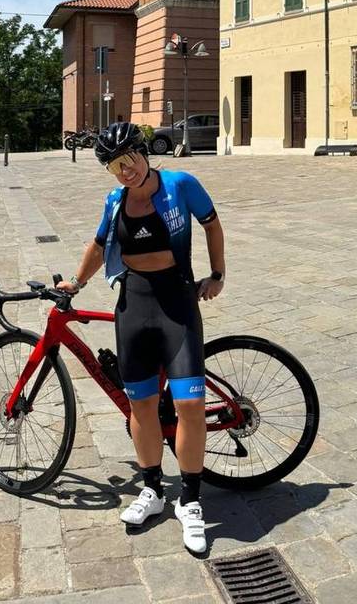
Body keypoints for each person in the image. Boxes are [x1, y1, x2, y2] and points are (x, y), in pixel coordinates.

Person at [56, 121, 225, 554]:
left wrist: (218, 274)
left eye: (129, 159)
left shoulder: (181, 184)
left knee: (189, 403)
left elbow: (212, 224)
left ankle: (190, 500)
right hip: (134, 305)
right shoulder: (115, 201)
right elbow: (98, 246)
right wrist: (75, 283)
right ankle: (152, 490)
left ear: (142, 152)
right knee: (141, 403)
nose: (125, 170)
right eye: (115, 165)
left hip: (178, 303)